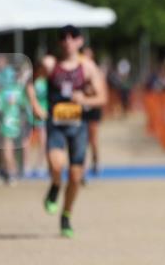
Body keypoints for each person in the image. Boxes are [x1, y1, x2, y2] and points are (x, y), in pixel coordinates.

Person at [27, 25, 108, 238]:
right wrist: (35, 105)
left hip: (78, 126)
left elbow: (102, 98)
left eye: (73, 37)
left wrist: (85, 99)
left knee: (75, 175)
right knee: (56, 164)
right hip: (55, 123)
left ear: (80, 41)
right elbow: (29, 82)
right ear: (59, 42)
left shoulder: (88, 67)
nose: (68, 41)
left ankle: (66, 215)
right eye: (63, 37)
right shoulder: (50, 64)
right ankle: (54, 186)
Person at [80, 47, 103, 178]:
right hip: (81, 110)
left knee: (93, 140)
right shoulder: (77, 71)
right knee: (81, 140)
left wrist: (90, 91)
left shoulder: (96, 71)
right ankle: (82, 169)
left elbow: (101, 93)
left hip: (93, 110)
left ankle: (95, 161)